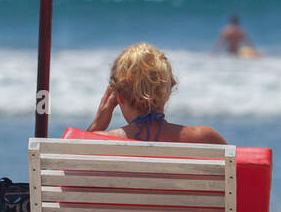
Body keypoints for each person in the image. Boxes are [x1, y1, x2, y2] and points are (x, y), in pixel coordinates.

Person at [88, 42, 226, 144]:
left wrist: (97, 124)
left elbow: (68, 167)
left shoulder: (99, 143)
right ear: (167, 93)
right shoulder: (207, 138)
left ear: (119, 98)